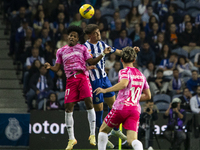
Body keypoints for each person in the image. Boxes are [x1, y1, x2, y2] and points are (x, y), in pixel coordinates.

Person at [44, 25, 111, 150]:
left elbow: (91, 62)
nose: (72, 37)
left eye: (75, 36)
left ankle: (92, 135)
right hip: (70, 80)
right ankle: (71, 139)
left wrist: (102, 54)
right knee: (68, 108)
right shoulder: (61, 51)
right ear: (68, 37)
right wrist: (50, 67)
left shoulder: (83, 48)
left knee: (89, 102)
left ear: (78, 38)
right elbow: (57, 68)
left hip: (83, 77)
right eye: (70, 35)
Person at [84, 24, 139, 146]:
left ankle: (115, 130)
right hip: (94, 81)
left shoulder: (102, 44)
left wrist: (131, 52)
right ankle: (101, 135)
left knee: (114, 105)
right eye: (96, 33)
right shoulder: (85, 48)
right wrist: (103, 54)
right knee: (99, 109)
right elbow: (91, 61)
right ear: (90, 35)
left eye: (99, 32)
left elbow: (119, 52)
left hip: (104, 78)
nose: (99, 34)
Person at [94, 46, 151, 150]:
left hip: (121, 107)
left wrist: (105, 90)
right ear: (134, 60)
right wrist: (133, 98)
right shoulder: (142, 75)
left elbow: (124, 84)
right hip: (134, 109)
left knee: (103, 130)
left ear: (121, 60)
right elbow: (148, 96)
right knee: (132, 141)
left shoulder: (124, 71)